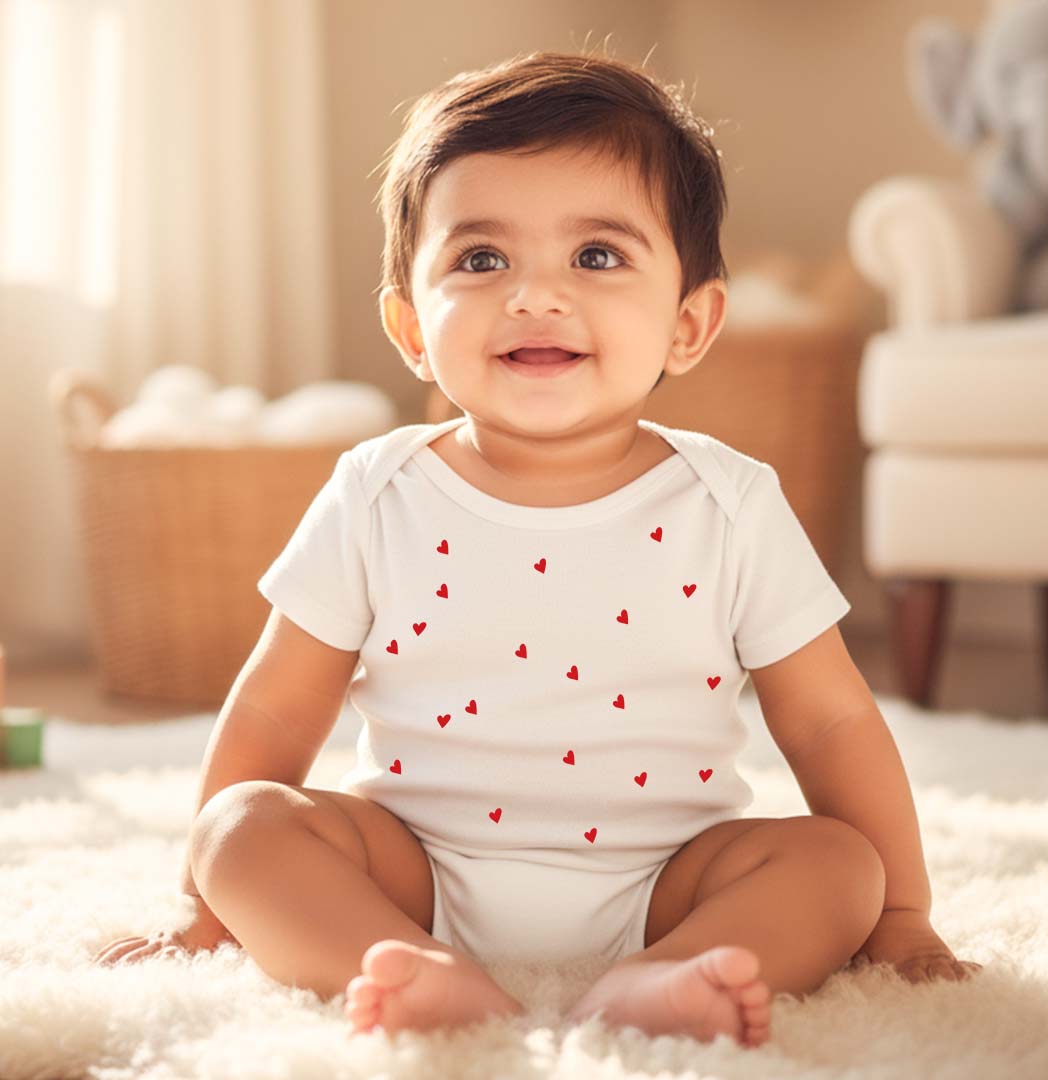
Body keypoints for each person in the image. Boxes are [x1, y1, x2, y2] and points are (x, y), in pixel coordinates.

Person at [94, 47, 981, 1049]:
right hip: (416, 870)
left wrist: (901, 914)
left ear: (689, 323)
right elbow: (274, 704)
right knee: (241, 829)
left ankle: (663, 981)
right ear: (410, 328)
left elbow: (827, 726)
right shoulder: (377, 491)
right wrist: (206, 902)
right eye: (481, 259)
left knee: (838, 867)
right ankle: (415, 972)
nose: (533, 295)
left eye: (595, 257)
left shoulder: (728, 503)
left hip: (668, 880)